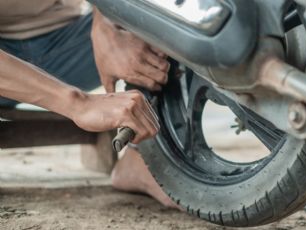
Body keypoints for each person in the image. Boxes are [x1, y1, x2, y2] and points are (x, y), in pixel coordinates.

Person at [0, 0, 177, 207]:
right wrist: (79, 104)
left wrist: (104, 23)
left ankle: (143, 159)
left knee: (167, 19)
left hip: (69, 41)